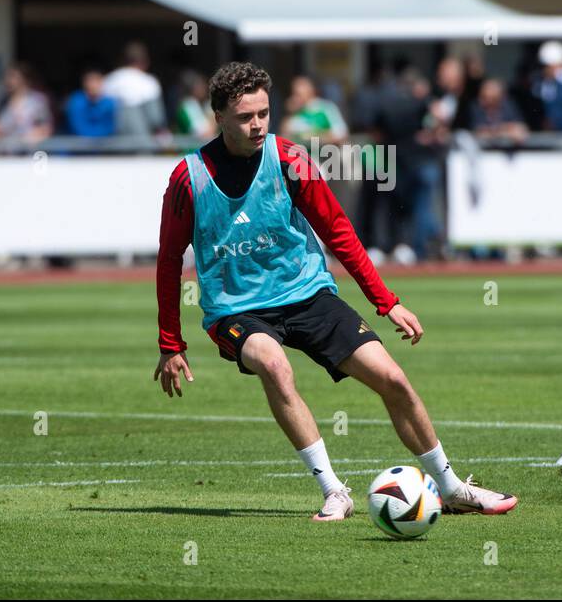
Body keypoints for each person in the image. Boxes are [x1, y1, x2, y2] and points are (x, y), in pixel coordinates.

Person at [154, 62, 517, 520]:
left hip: (308, 295)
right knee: (273, 364)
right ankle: (333, 491)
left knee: (394, 380)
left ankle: (450, 487)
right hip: (237, 310)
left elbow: (339, 231)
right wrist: (171, 342)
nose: (258, 124)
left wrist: (387, 302)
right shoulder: (188, 178)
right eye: (246, 116)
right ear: (219, 117)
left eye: (264, 113)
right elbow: (169, 262)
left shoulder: (290, 160)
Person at [0, 63, 54, 147]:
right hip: (6, 145)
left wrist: (34, 135)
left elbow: (47, 127)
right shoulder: (3, 101)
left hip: (29, 146)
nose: (8, 81)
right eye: (7, 77)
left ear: (25, 79)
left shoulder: (37, 100)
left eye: (12, 77)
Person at [103, 42, 166, 140]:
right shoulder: (148, 82)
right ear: (144, 61)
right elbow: (155, 119)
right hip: (141, 143)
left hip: (112, 144)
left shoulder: (109, 80)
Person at [280, 75, 348, 145]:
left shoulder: (326, 108)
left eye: (299, 94)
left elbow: (341, 134)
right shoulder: (294, 112)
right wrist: (289, 114)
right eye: (294, 93)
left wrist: (315, 137)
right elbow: (284, 137)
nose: (295, 97)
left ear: (311, 90)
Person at [468, 78, 529, 143]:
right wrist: (505, 130)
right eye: (485, 97)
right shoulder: (475, 107)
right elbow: (480, 131)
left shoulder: (508, 106)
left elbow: (520, 128)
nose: (489, 102)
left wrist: (495, 131)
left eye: (494, 99)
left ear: (502, 96)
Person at [65, 68, 117, 137]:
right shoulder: (76, 101)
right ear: (84, 83)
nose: (93, 85)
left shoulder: (109, 103)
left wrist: (98, 140)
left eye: (96, 81)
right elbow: (77, 126)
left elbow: (110, 126)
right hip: (78, 144)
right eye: (90, 81)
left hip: (104, 144)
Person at [174, 71, 216, 138]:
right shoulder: (187, 106)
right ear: (194, 89)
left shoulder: (205, 105)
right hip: (190, 147)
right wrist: (213, 120)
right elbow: (201, 133)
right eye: (201, 86)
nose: (204, 89)